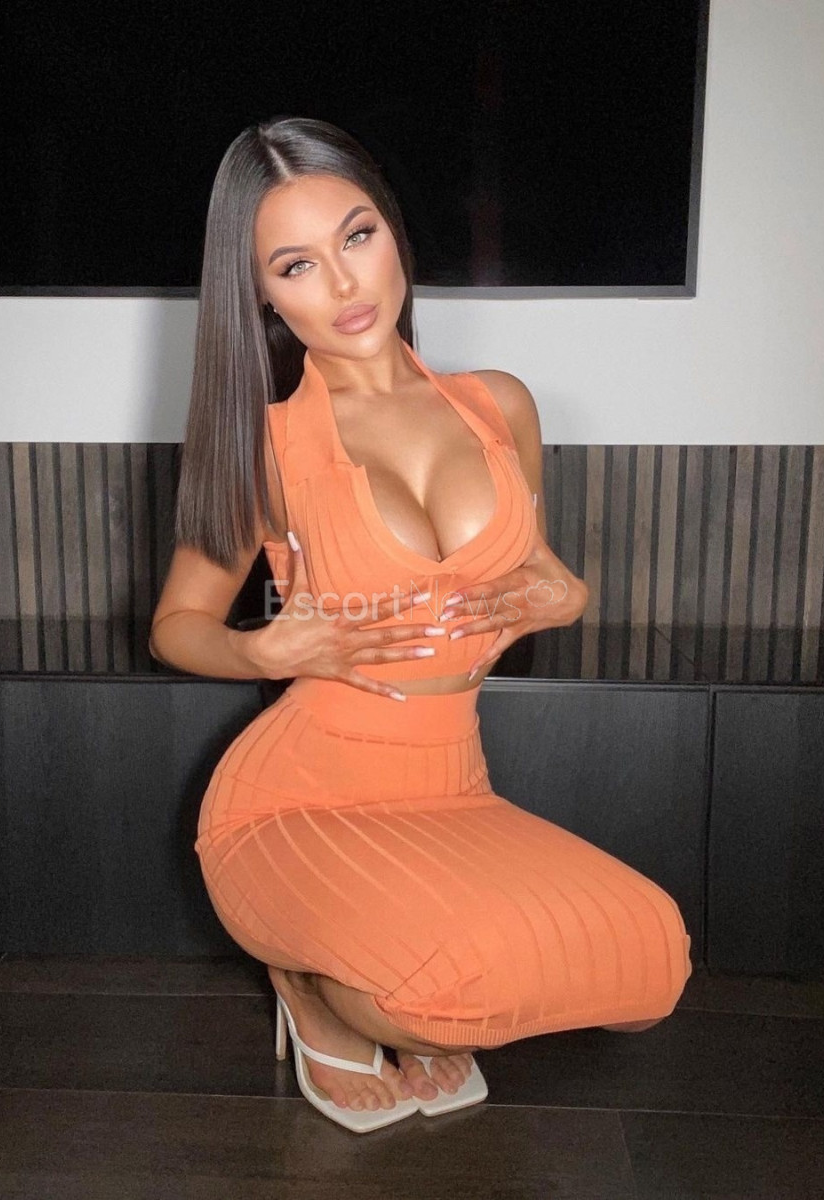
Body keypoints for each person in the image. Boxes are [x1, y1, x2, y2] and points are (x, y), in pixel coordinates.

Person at [149, 115, 693, 1133]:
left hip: (450, 782)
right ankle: (306, 989)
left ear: (394, 234)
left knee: (649, 960)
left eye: (357, 237)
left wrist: (567, 598)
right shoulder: (264, 445)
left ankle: (375, 981)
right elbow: (176, 624)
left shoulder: (499, 407)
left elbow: (531, 576)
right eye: (297, 265)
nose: (343, 284)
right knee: (437, 1004)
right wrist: (260, 646)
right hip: (298, 795)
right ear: (261, 294)